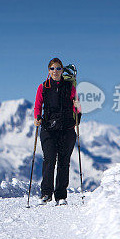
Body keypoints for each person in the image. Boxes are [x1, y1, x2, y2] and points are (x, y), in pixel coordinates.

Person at [33, 57, 82, 205]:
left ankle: (61, 196)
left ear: (62, 70)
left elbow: (77, 108)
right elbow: (37, 105)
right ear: (48, 71)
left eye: (58, 68)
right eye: (52, 69)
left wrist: (77, 106)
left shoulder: (70, 87)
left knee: (63, 162)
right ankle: (46, 194)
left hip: (67, 128)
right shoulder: (43, 87)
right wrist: (37, 117)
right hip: (48, 128)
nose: (55, 71)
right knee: (49, 160)